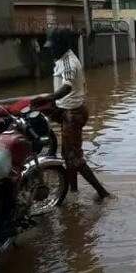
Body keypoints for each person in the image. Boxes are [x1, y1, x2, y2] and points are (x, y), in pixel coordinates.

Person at [32, 28, 111, 200]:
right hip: (68, 111)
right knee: (68, 155)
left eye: (53, 46)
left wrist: (49, 98)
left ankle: (102, 193)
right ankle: (73, 191)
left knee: (73, 157)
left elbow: (67, 87)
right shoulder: (61, 59)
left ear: (61, 45)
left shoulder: (69, 62)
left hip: (73, 113)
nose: (51, 50)